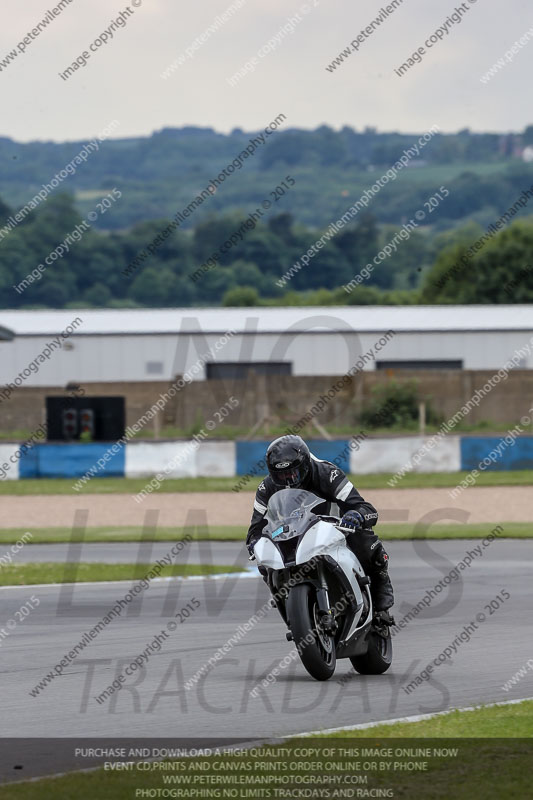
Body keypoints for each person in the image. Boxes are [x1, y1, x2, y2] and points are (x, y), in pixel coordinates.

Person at [246, 434, 394, 627]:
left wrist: (355, 516)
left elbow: (367, 509)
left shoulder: (327, 474)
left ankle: (381, 607)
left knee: (364, 539)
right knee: (264, 558)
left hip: (332, 529)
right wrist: (253, 543)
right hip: (292, 533)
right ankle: (287, 603)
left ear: (305, 464)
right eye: (281, 475)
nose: (288, 479)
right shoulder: (266, 487)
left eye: (293, 472)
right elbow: (255, 528)